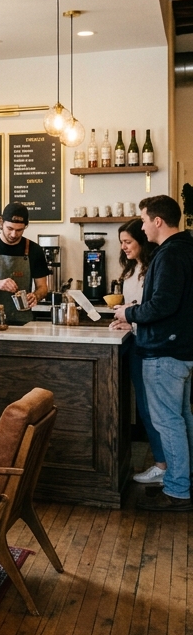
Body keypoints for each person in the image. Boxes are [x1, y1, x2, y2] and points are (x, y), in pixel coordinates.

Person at [112, 196, 193, 511]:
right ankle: (183, 480)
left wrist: (129, 313)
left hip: (164, 350)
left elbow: (163, 304)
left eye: (144, 220)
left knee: (168, 422)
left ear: (158, 221)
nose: (142, 225)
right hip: (182, 349)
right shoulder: (186, 248)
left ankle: (177, 491)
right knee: (182, 418)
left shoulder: (169, 255)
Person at [109, 220, 164, 485]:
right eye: (122, 242)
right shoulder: (132, 270)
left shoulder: (155, 267)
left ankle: (163, 465)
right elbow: (137, 309)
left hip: (148, 344)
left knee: (151, 408)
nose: (124, 247)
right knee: (144, 406)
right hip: (135, 341)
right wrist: (127, 320)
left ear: (142, 241)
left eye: (128, 242)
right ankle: (164, 463)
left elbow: (153, 309)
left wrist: (131, 317)